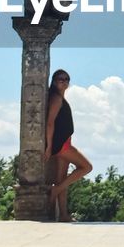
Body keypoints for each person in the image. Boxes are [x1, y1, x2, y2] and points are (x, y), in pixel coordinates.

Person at [44, 69, 92, 221]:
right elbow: (50, 123)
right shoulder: (56, 99)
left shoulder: (59, 98)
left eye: (66, 79)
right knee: (86, 167)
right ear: (53, 81)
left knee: (62, 180)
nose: (63, 81)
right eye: (60, 79)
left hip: (64, 142)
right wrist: (49, 147)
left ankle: (63, 215)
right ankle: (55, 191)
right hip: (61, 145)